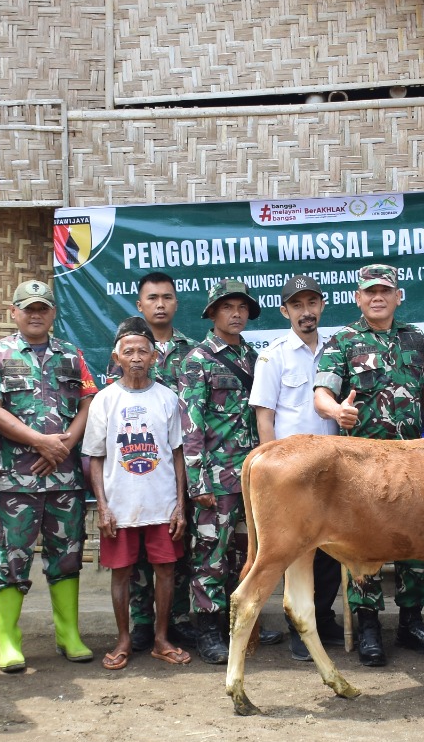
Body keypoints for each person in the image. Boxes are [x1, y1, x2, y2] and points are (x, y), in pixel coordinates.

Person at [314, 263, 424, 665]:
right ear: (358, 297)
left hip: (410, 462)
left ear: (398, 295)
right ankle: (369, 625)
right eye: (369, 291)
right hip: (361, 465)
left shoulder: (416, 340)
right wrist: (337, 412)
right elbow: (321, 395)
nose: (377, 297)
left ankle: (411, 621)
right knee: (362, 545)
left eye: (385, 290)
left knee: (413, 540)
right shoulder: (343, 341)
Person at [0, 279, 98, 672]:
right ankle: (9, 641)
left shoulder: (72, 355)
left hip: (64, 480)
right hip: (17, 479)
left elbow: (88, 402)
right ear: (13, 312)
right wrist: (40, 443)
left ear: (53, 313)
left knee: (67, 558)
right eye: (27, 308)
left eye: (42, 308)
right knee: (11, 560)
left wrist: (61, 446)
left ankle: (69, 635)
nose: (35, 314)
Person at [181, 279, 280, 663]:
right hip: (215, 478)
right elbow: (191, 425)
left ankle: (243, 622)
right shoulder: (197, 360)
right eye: (227, 307)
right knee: (210, 554)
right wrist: (197, 481)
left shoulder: (255, 359)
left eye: (241, 307)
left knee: (248, 553)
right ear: (212, 313)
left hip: (253, 477)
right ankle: (208, 629)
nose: (236, 313)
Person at [84, 318, 191, 669]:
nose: (135, 358)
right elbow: (95, 458)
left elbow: (177, 453)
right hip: (120, 506)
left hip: (162, 504)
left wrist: (179, 506)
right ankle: (124, 640)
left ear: (155, 356)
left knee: (165, 570)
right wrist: (102, 506)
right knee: (121, 572)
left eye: (142, 351)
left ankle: (161, 639)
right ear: (116, 357)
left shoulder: (167, 398)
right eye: (128, 351)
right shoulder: (104, 400)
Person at [250, 274, 345, 661]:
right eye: (297, 306)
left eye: (312, 304)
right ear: (284, 310)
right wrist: (273, 473)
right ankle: (297, 625)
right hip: (292, 474)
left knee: (331, 546)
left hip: (334, 469)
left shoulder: (339, 349)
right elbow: (264, 416)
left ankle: (322, 617)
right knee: (293, 549)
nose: (306, 313)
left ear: (322, 305)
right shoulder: (273, 356)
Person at [109, 272, 200, 652]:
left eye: (167, 297)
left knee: (175, 552)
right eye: (152, 298)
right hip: (134, 474)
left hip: (178, 468)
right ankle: (142, 625)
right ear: (140, 305)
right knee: (135, 556)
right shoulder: (126, 350)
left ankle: (177, 621)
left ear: (176, 302)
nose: (160, 304)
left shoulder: (193, 351)